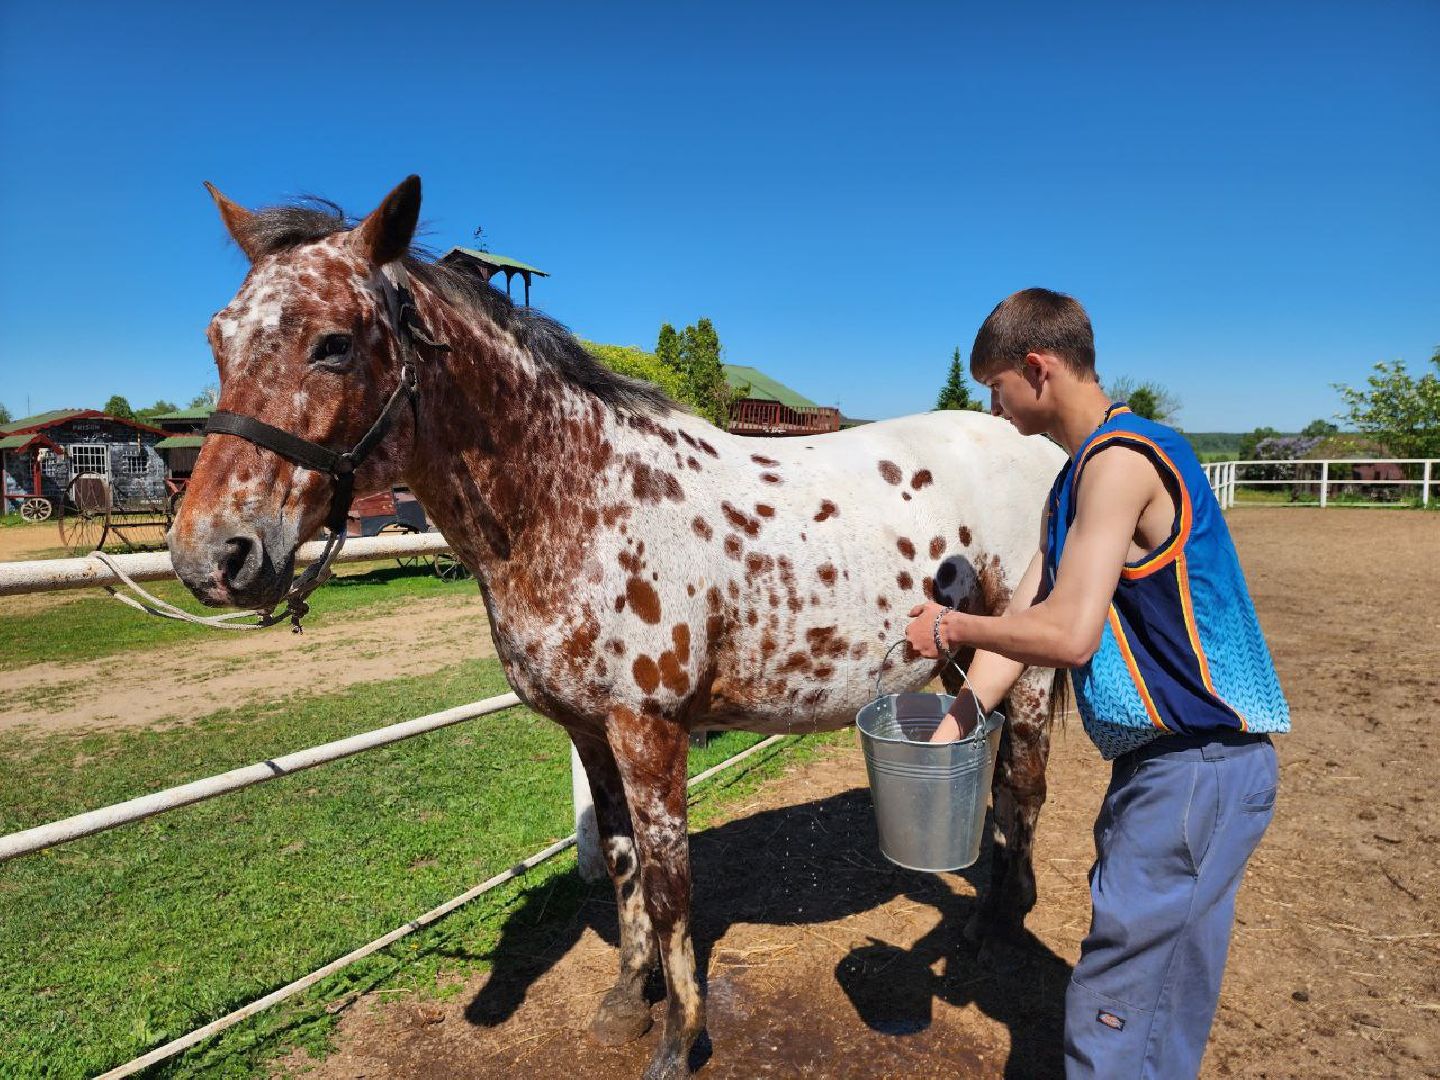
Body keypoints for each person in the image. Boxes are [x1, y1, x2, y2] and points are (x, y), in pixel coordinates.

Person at [904, 287, 1289, 1079]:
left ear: (1036, 369)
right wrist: (956, 720)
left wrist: (951, 628)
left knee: (1115, 1018)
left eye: (996, 387)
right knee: (1152, 1005)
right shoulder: (1073, 486)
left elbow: (1067, 633)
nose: (996, 407)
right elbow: (1029, 614)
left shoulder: (1119, 464)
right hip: (1171, 770)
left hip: (1196, 766)